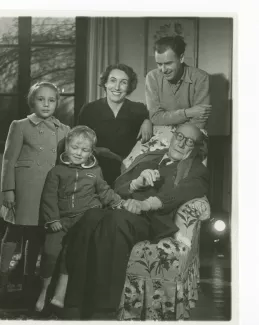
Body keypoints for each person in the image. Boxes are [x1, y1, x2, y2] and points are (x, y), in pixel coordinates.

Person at [62, 123, 209, 320]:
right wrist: (135, 183)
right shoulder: (148, 157)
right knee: (91, 217)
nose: (182, 144)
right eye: (180, 137)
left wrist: (145, 204)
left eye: (189, 142)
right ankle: (72, 304)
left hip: (150, 220)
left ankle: (103, 311)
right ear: (173, 136)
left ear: (196, 148)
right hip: (121, 208)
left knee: (116, 221)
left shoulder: (196, 169)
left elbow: (183, 192)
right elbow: (116, 187)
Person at [35, 125, 124, 312]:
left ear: (91, 151)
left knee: (72, 254)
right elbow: (48, 197)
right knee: (50, 253)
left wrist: (118, 202)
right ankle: (43, 292)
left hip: (83, 221)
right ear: (67, 146)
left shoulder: (95, 171)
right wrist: (52, 219)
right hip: (60, 221)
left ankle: (61, 294)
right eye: (74, 148)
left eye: (84, 150)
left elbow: (104, 190)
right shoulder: (56, 172)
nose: (78, 153)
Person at [0, 81, 70, 303]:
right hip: (24, 188)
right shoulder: (20, 126)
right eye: (41, 99)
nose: (46, 104)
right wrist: (8, 190)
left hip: (47, 190)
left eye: (51, 100)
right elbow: (9, 160)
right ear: (32, 101)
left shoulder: (64, 130)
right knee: (14, 230)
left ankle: (28, 279)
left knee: (36, 234)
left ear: (57, 102)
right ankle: (2, 277)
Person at [78, 63, 153, 186]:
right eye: (113, 81)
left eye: (123, 82)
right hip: (94, 172)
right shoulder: (89, 109)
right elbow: (78, 142)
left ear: (129, 86)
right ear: (105, 83)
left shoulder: (139, 110)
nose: (117, 87)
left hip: (129, 173)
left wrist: (147, 120)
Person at [145, 36, 212, 129]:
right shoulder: (152, 77)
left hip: (192, 133)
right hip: (161, 132)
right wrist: (188, 112)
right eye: (159, 64)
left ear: (181, 58)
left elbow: (200, 120)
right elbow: (155, 118)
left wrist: (177, 136)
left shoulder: (201, 78)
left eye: (168, 63)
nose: (163, 70)